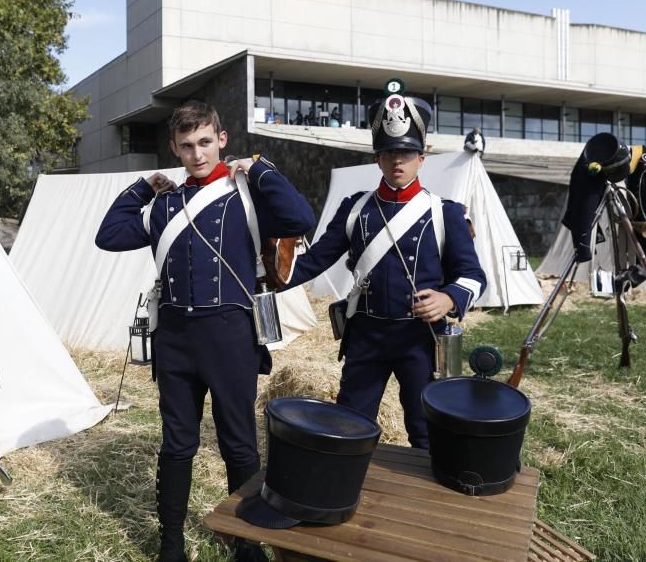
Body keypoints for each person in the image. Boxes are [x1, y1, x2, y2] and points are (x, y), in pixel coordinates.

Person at [95, 101, 314, 562]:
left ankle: (246, 544)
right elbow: (109, 235)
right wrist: (141, 187)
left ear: (222, 139)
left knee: (239, 444)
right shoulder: (165, 204)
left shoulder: (245, 195)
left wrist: (260, 169)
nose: (197, 154)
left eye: (205, 143)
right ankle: (170, 545)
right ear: (174, 148)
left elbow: (301, 219)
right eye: (187, 145)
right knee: (178, 444)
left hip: (230, 333)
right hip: (175, 337)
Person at [283, 86, 485, 449]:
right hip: (366, 336)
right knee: (349, 425)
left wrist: (448, 298)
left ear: (421, 158)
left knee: (426, 430)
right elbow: (314, 261)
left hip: (420, 339)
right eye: (389, 152)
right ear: (377, 158)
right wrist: (267, 280)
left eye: (406, 152)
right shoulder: (355, 209)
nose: (397, 160)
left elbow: (473, 276)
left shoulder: (444, 212)